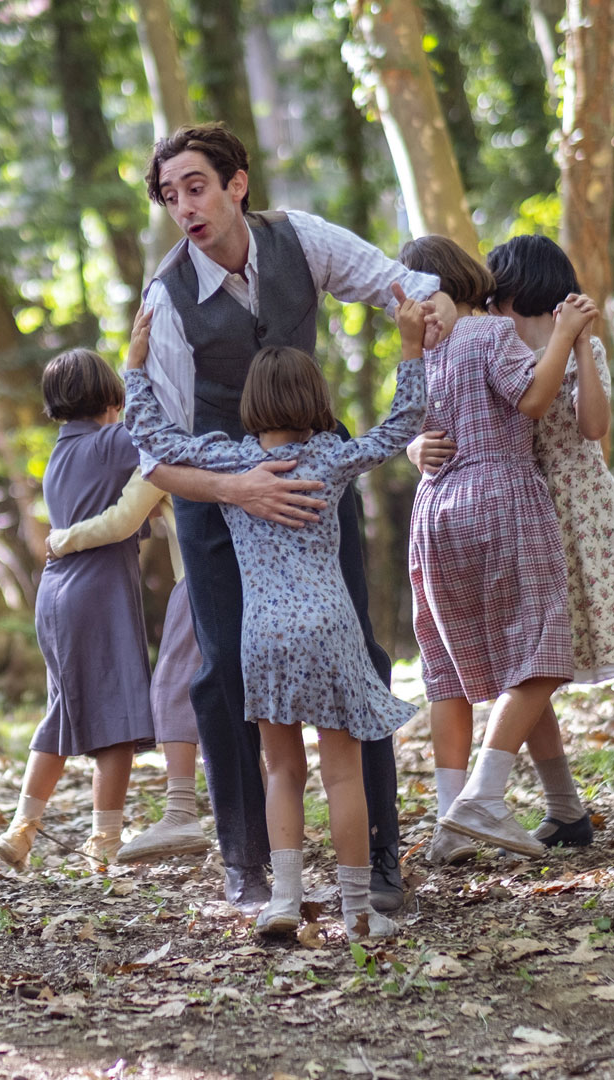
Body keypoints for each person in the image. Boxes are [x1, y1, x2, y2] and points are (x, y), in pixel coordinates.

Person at [135, 121, 457, 912]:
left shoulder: (298, 239)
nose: (185, 207)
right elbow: (157, 457)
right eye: (170, 196)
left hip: (313, 487)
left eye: (197, 187)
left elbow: (397, 284)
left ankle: (378, 863)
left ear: (236, 182)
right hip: (218, 496)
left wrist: (434, 304)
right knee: (225, 675)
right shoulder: (167, 301)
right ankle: (252, 870)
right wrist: (242, 490)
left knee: (360, 657)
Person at [410, 234, 614, 851]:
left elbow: (593, 427)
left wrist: (580, 346)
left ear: (519, 288)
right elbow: (448, 419)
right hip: (517, 519)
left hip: (589, 516)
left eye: (499, 292)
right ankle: (565, 808)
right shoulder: (489, 342)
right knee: (528, 667)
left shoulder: (574, 343)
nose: (490, 305)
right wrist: (415, 446)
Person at [124, 287, 426, 938]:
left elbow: (151, 440)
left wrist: (135, 363)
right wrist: (407, 346)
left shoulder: (231, 465)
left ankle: (284, 900)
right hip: (330, 627)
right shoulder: (332, 458)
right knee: (343, 772)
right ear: (316, 401)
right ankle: (358, 913)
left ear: (249, 406)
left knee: (283, 769)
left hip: (262, 633)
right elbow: (402, 424)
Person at [401, 236, 594, 859]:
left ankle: (447, 826)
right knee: (538, 652)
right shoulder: (487, 334)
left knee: (447, 672)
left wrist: (411, 450)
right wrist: (564, 334)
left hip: (434, 514)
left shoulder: (420, 356)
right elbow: (534, 400)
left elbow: (407, 430)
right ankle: (482, 797)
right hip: (499, 495)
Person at [0, 349, 157, 870]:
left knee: (65, 708)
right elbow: (159, 427)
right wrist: (141, 360)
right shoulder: (113, 444)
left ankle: (22, 829)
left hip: (56, 592)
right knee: (117, 716)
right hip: (99, 589)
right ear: (111, 397)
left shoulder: (60, 455)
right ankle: (104, 841)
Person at [47, 474, 209, 862]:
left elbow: (121, 520)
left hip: (201, 579)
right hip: (263, 577)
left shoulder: (164, 444)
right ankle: (265, 817)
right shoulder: (240, 435)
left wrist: (61, 540)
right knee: (239, 697)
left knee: (172, 689)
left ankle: (181, 811)